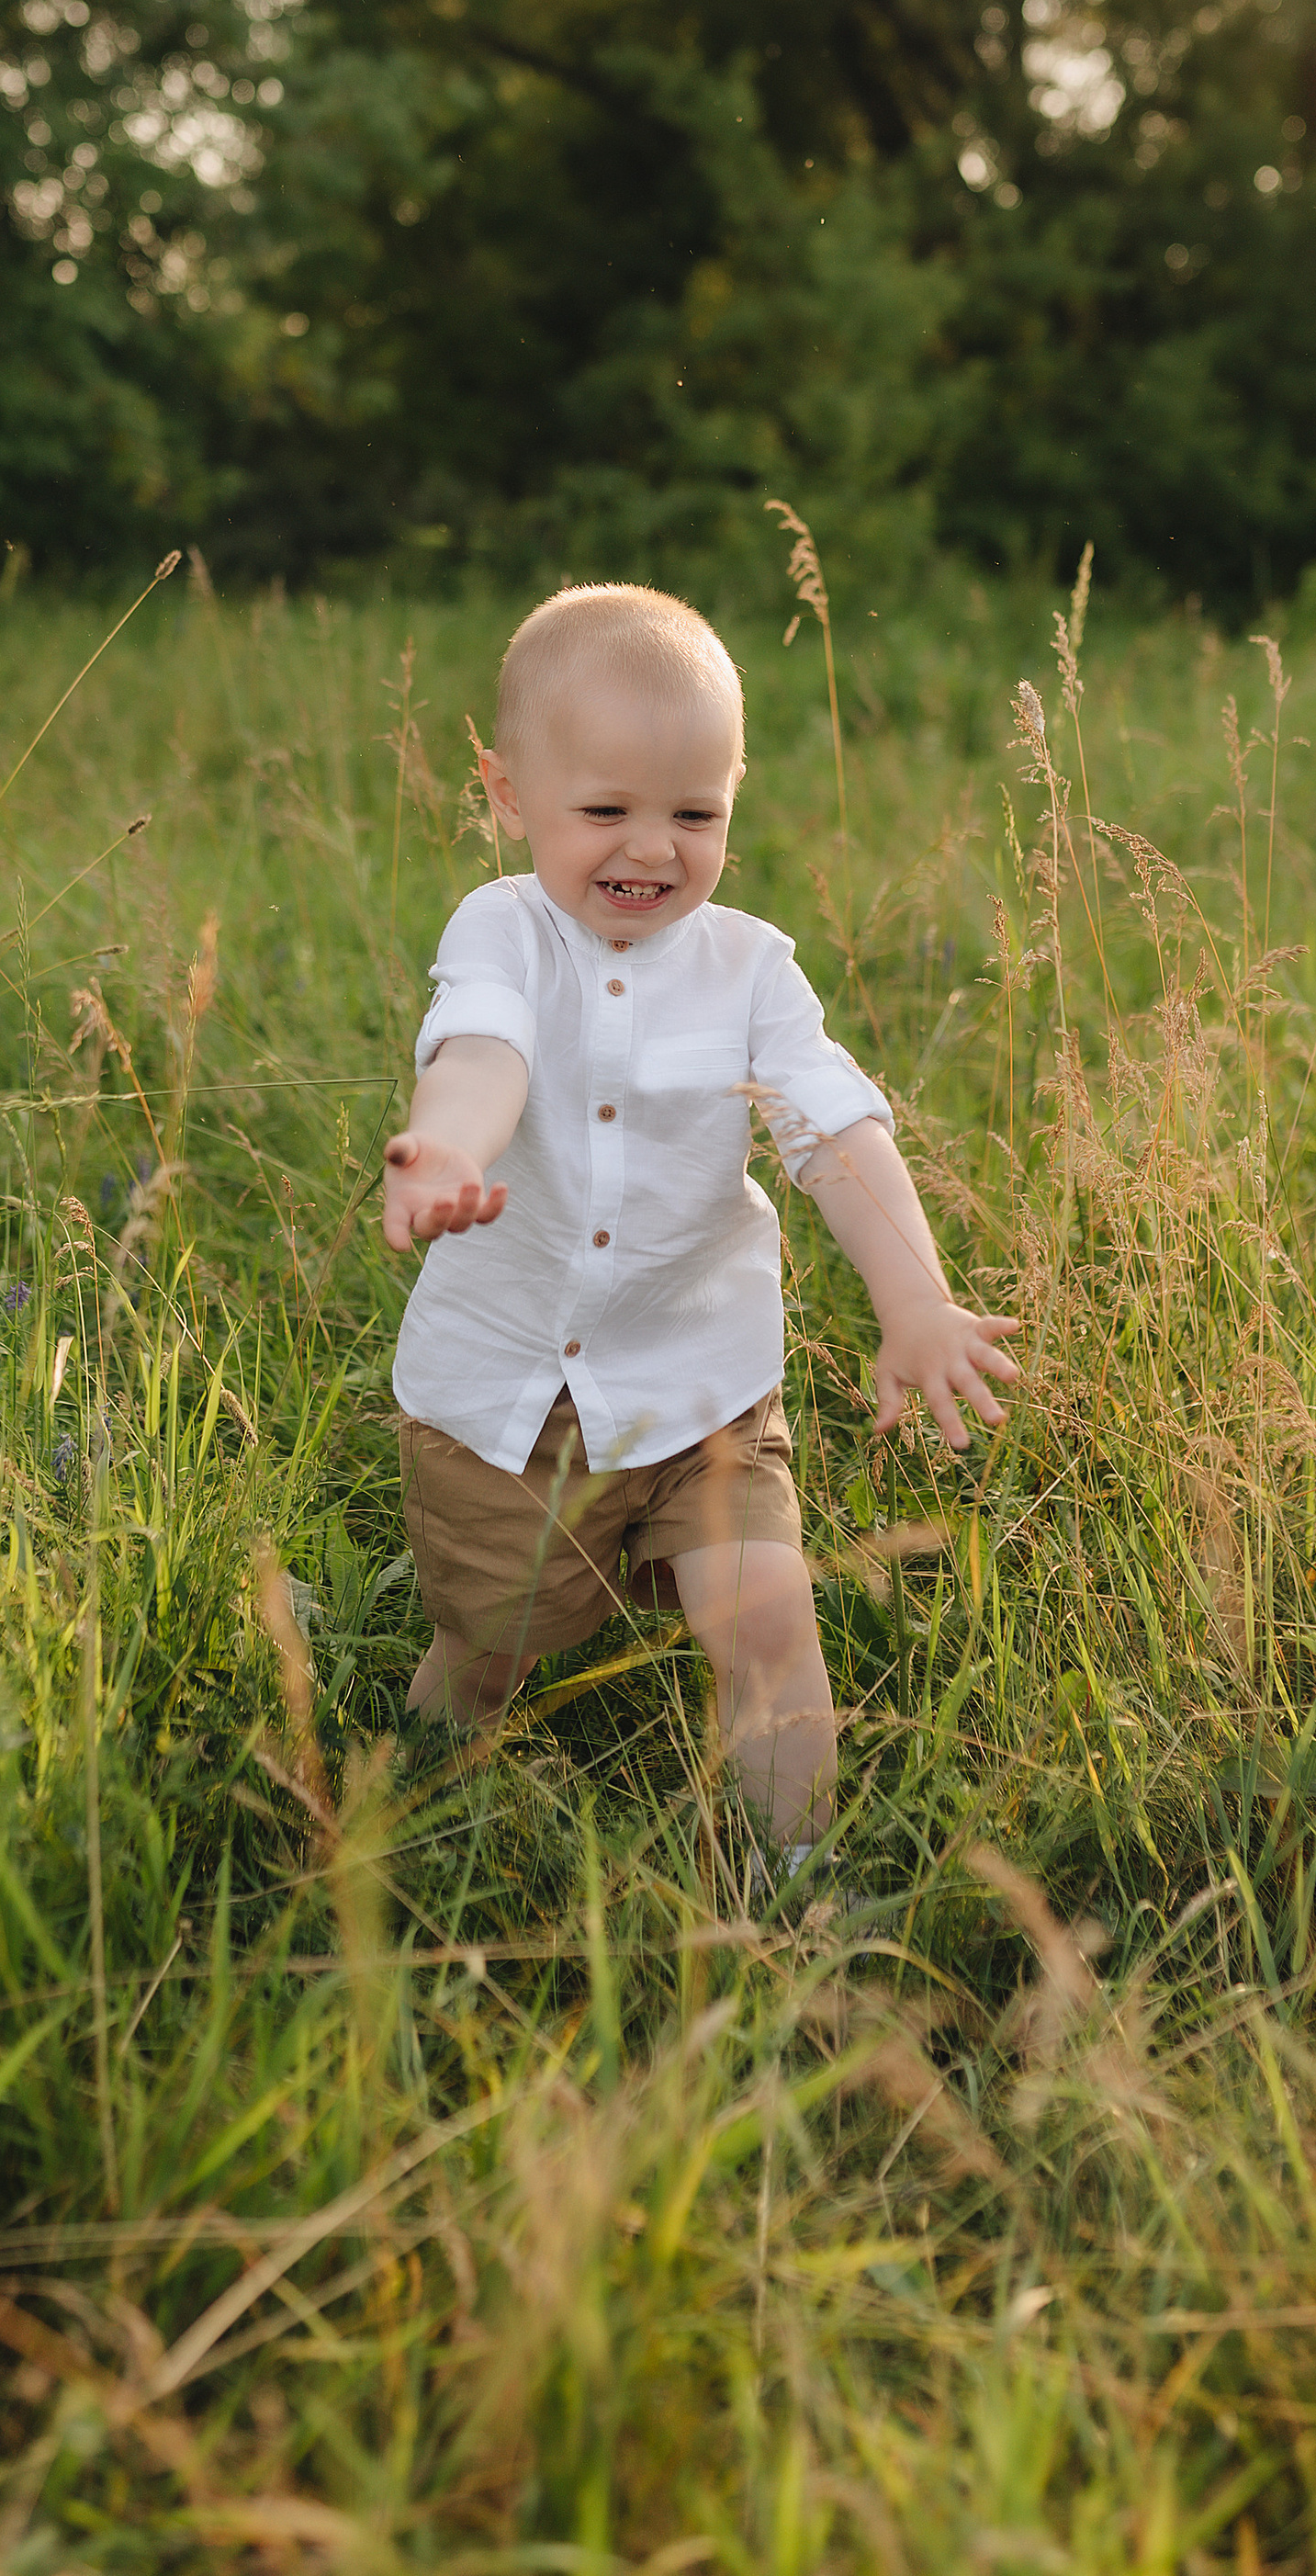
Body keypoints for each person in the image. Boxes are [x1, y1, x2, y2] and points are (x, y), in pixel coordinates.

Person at [381, 582, 1019, 1875]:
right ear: (508, 792)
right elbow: (484, 1052)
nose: (653, 846)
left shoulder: (751, 970)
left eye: (696, 813)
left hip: (703, 1389)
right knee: (496, 1643)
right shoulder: (503, 930)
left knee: (771, 1622)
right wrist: (448, 1143)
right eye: (606, 809)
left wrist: (917, 1299)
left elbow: (832, 1131)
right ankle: (415, 1822)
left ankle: (795, 1884)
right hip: (514, 1392)